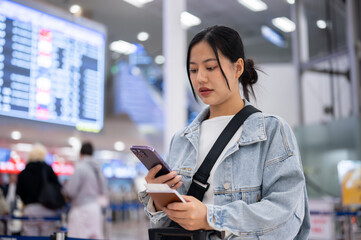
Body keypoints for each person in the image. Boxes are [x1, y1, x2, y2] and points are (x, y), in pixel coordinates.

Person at [138, 25, 310, 239]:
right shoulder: (181, 139)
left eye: (210, 67)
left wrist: (211, 217)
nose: (200, 78)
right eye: (193, 70)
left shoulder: (271, 131)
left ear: (237, 68)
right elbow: (170, 222)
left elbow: (286, 215)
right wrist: (158, 197)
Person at [63, 141, 107, 239]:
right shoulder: (97, 169)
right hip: (95, 209)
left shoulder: (80, 167)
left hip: (80, 209)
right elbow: (103, 190)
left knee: (78, 237)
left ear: (80, 153)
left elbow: (70, 191)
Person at [16, 143, 62, 236]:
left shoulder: (23, 173)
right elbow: (58, 188)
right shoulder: (48, 170)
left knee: (30, 237)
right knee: (47, 237)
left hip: (30, 210)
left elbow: (19, 192)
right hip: (48, 209)